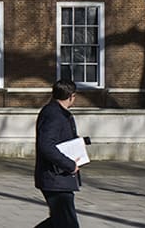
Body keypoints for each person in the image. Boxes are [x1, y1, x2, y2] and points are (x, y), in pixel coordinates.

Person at [34, 79, 82, 227]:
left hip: (57, 179)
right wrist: (70, 165)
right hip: (55, 179)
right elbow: (46, 146)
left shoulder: (55, 112)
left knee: (59, 221)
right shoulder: (55, 115)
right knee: (68, 223)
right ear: (71, 96)